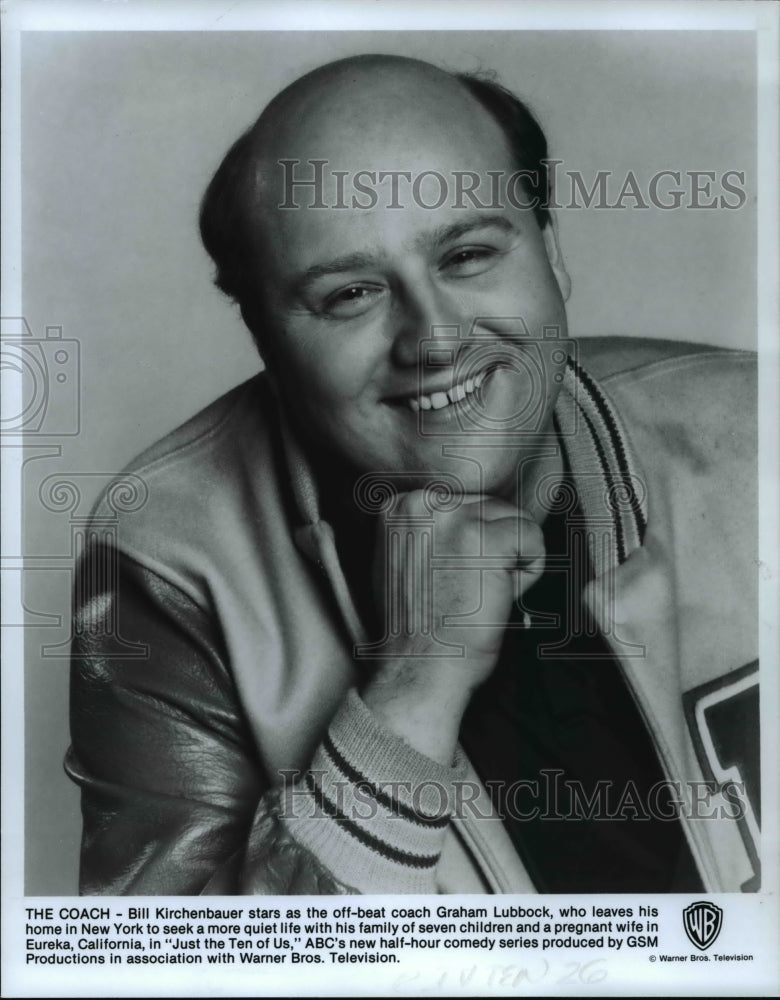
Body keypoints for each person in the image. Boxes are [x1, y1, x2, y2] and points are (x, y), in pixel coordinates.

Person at [65, 54, 759, 895]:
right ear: (265, 339)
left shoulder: (753, 431)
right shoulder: (168, 556)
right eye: (351, 294)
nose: (433, 338)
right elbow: (163, 979)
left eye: (467, 255)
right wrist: (417, 678)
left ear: (551, 252)